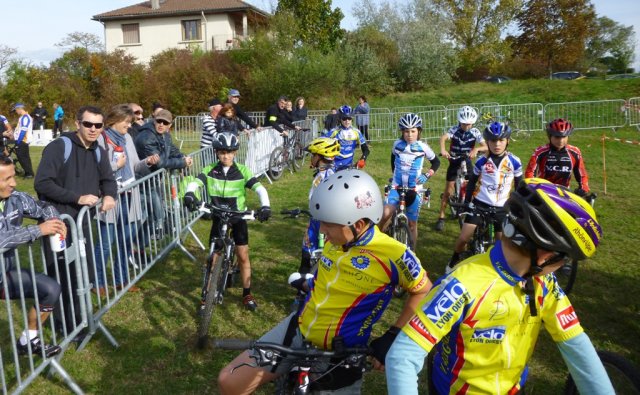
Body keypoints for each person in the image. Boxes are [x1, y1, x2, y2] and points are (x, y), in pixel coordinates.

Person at [385, 178, 614, 395]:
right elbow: (403, 355)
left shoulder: (543, 282)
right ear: (545, 256)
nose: (560, 268)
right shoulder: (462, 284)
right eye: (564, 261)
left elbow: (576, 344)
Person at [217, 169, 432, 394]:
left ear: (357, 225)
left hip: (343, 352)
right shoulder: (336, 240)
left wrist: (393, 336)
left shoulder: (393, 253)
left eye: (328, 224)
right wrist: (309, 285)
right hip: (299, 329)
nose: (322, 230)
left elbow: (425, 291)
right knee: (229, 381)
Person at [34, 105, 118, 334]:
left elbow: (108, 180)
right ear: (77, 123)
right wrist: (76, 197)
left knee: (82, 272)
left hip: (81, 224)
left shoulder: (98, 150)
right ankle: (63, 325)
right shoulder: (60, 146)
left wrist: (110, 195)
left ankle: (80, 319)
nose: (93, 129)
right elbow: (42, 183)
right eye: (88, 124)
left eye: (98, 125)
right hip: (57, 223)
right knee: (61, 275)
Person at [183, 133, 271, 311]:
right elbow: (195, 182)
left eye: (230, 152)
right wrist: (190, 193)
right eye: (222, 152)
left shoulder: (243, 171)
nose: (226, 156)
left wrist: (265, 206)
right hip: (218, 215)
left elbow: (260, 189)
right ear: (216, 152)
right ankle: (206, 295)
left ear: (235, 153)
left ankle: (247, 293)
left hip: (238, 217)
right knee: (213, 258)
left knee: (243, 256)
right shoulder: (210, 169)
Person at [0, 153, 65, 358]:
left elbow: (43, 207)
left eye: (13, 176)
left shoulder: (15, 198)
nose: (14, 183)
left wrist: (54, 220)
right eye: (7, 178)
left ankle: (29, 339)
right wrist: (37, 231)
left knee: (51, 289)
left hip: (4, 275)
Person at [93, 104, 159, 296]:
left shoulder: (128, 138)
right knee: (106, 242)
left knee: (125, 240)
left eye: (130, 122)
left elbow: (135, 165)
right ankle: (97, 281)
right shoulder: (100, 139)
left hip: (130, 196)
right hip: (110, 197)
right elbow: (98, 170)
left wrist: (147, 162)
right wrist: (116, 165)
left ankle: (120, 279)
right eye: (126, 122)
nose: (129, 126)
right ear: (114, 120)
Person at [445, 121, 522, 272]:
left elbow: (519, 186)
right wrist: (467, 202)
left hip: (502, 207)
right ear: (487, 142)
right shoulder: (482, 161)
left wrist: (517, 206)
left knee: (501, 244)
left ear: (507, 141)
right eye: (493, 140)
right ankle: (453, 260)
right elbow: (472, 182)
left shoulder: (514, 161)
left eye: (501, 140)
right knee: (463, 238)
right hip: (480, 204)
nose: (497, 144)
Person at [379, 113, 440, 249]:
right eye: (406, 131)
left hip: (414, 189)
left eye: (413, 131)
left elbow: (436, 162)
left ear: (419, 131)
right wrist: (394, 176)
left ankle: (412, 253)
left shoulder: (423, 147)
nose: (410, 134)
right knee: (385, 215)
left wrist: (427, 175)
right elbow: (393, 160)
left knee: (412, 224)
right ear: (402, 132)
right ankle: (378, 243)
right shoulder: (397, 144)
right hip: (397, 187)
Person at [135, 109, 193, 239]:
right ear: (154, 120)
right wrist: (181, 163)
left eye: (165, 123)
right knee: (143, 215)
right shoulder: (147, 137)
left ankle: (142, 243)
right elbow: (159, 162)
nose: (161, 124)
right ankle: (133, 245)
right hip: (142, 181)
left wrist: (183, 157)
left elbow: (171, 149)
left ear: (169, 125)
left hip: (153, 179)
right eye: (159, 121)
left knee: (153, 211)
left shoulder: (165, 135)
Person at [435, 105, 486, 232]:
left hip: (467, 160)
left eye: (469, 124)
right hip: (454, 159)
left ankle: (471, 208)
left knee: (473, 185)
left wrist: (477, 149)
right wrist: (443, 149)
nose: (466, 126)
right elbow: (443, 138)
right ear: (459, 121)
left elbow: (485, 146)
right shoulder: (454, 129)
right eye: (464, 124)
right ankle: (441, 216)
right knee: (448, 190)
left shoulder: (475, 132)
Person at [297, 137, 340, 276]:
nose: (311, 158)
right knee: (306, 256)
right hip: (315, 221)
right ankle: (302, 292)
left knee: (325, 260)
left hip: (325, 223)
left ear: (320, 156)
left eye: (312, 155)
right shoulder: (321, 174)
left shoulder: (329, 176)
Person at [525, 118, 590, 196]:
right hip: (543, 193)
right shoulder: (540, 151)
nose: (561, 141)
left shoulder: (575, 152)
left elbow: (582, 174)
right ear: (550, 136)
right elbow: (530, 171)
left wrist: (583, 188)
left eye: (564, 137)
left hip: (565, 193)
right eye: (557, 137)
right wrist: (532, 187)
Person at [325, 105, 370, 170]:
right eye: (344, 119)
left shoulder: (356, 132)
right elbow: (321, 142)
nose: (347, 121)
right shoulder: (335, 131)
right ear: (340, 119)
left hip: (349, 165)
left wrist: (363, 159)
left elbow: (366, 149)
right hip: (334, 164)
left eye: (349, 118)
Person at [11, 103, 35, 178]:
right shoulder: (22, 117)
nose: (16, 112)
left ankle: (29, 174)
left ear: (19, 109)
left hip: (22, 141)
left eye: (16, 110)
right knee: (24, 157)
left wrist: (18, 141)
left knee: (23, 157)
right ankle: (28, 172)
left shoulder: (25, 117)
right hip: (22, 140)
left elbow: (23, 130)